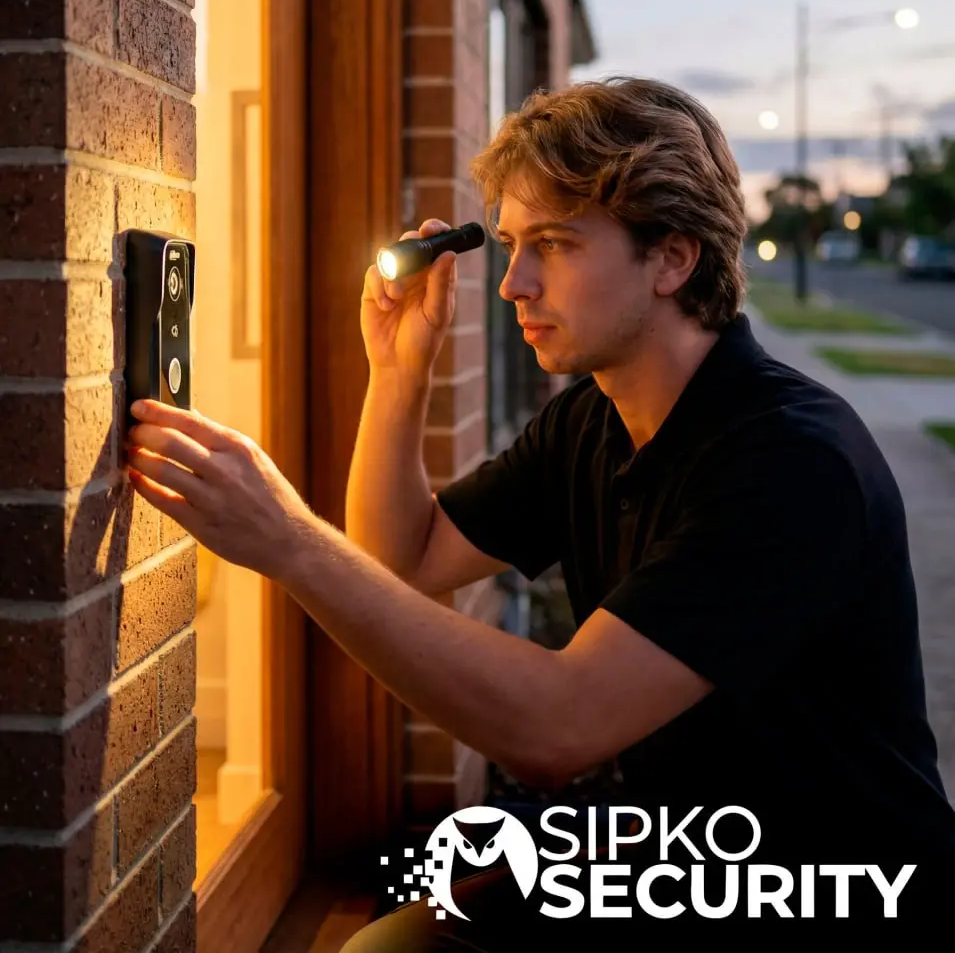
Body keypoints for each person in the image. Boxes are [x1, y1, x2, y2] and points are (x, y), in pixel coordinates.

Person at [126, 77, 955, 942]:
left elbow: (557, 727)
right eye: (511, 245)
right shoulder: (593, 418)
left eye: (553, 244)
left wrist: (289, 541)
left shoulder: (790, 462)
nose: (513, 284)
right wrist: (398, 373)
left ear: (672, 259)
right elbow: (403, 560)